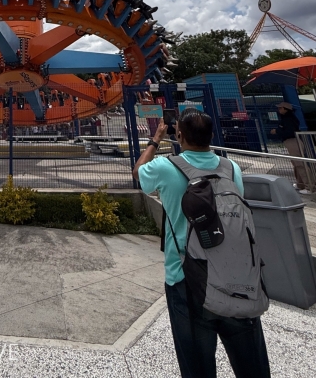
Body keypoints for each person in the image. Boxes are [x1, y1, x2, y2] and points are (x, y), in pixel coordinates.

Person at [133, 110, 270, 378]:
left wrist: (156, 139)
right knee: (252, 364)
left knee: (196, 364)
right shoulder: (231, 168)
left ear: (179, 135)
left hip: (187, 279)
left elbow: (138, 172)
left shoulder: (166, 167)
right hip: (237, 274)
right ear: (212, 136)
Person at [270, 101, 310, 194]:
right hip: (291, 141)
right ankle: (301, 184)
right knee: (296, 164)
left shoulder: (288, 119)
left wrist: (277, 131)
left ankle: (309, 186)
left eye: (280, 108)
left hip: (292, 141)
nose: (278, 109)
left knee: (300, 163)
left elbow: (289, 131)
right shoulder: (286, 118)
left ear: (285, 109)